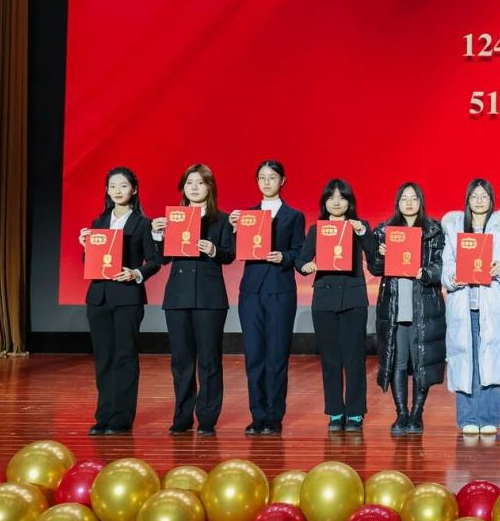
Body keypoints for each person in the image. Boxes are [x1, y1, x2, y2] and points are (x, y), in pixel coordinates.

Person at [151, 164, 235, 437]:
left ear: (209, 187)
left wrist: (213, 249)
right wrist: (157, 234)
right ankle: (182, 417)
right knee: (181, 360)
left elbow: (229, 254)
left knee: (209, 359)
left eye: (200, 182)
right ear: (183, 188)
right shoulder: (173, 218)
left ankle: (207, 418)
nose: (195, 187)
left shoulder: (221, 219)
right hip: (177, 296)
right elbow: (162, 259)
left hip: (210, 298)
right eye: (189, 183)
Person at [79, 167, 161, 436]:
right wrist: (86, 246)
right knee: (103, 358)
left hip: (127, 298)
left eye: (123, 186)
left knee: (125, 357)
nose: (117, 190)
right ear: (107, 190)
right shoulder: (98, 222)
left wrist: (136, 273)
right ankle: (103, 415)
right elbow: (89, 263)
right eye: (112, 186)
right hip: (98, 298)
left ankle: (121, 418)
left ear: (134, 190)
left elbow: (154, 261)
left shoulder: (143, 223)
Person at [229, 160, 305, 437]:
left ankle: (274, 416)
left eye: (272, 177)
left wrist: (283, 257)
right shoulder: (247, 215)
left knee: (276, 356)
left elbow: (300, 252)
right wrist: (234, 228)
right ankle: (257, 415)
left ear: (282, 181)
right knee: (254, 356)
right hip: (251, 291)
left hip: (280, 290)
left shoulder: (293, 216)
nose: (266, 182)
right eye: (261, 177)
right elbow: (232, 251)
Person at [368, 182, 446, 437]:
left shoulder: (434, 231)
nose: (409, 203)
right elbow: (375, 268)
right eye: (404, 199)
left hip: (423, 306)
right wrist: (381, 255)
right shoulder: (384, 231)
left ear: (421, 201)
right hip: (395, 306)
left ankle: (417, 413)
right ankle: (401, 412)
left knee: (422, 361)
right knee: (397, 361)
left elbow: (443, 266)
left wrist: (426, 272)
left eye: (414, 198)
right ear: (398, 203)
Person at [441, 179, 500, 436]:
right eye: (474, 196)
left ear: (491, 200)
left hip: (492, 307)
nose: (479, 200)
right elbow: (447, 265)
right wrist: (452, 277)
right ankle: (468, 418)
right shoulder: (455, 231)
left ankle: (489, 418)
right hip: (464, 306)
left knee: (490, 361)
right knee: (466, 360)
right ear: (467, 200)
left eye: (484, 196)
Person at [296, 179, 372, 432]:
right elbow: (301, 260)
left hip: (353, 299)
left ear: (350, 202)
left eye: (342, 197)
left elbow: (374, 257)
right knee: (330, 359)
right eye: (331, 198)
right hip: (324, 300)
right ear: (324, 202)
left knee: (354, 358)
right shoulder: (316, 230)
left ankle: (355, 412)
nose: (336, 202)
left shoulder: (359, 227)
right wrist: (306, 266)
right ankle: (335, 412)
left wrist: (363, 232)